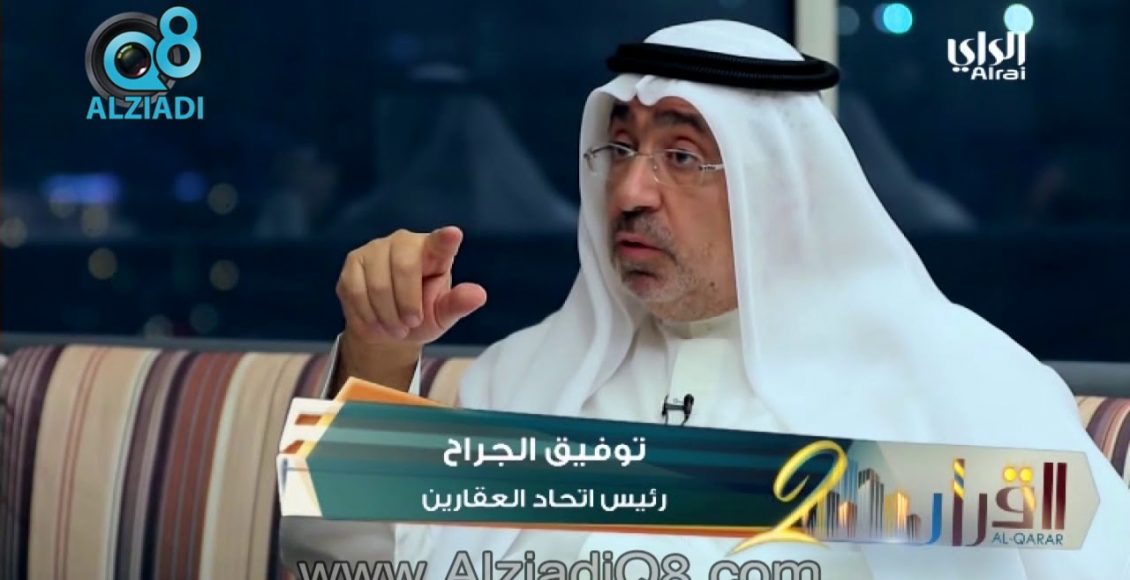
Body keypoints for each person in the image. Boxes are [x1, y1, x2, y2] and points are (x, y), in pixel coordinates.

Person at [289, 20, 1130, 580]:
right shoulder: (530, 375)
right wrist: (378, 355)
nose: (630, 192)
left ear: (777, 192)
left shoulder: (954, 376)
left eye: (682, 157)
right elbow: (346, 567)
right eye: (620, 150)